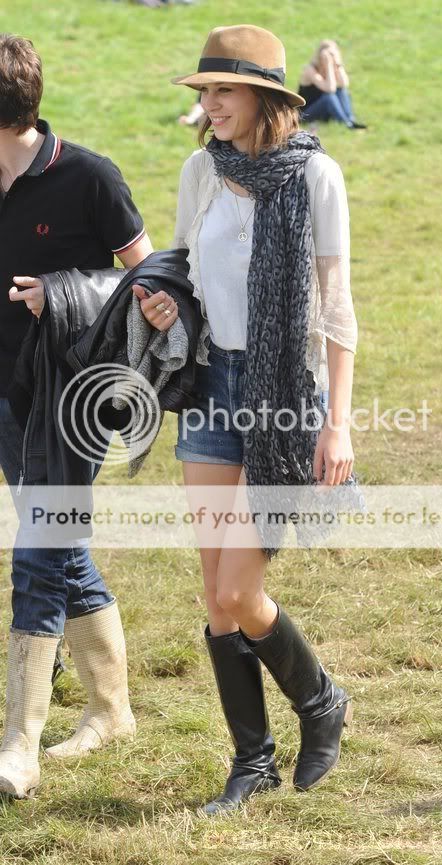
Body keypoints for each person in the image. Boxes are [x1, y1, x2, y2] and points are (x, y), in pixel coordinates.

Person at [138, 24, 358, 815]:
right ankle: (253, 760)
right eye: (204, 93)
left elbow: (336, 309)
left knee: (239, 589)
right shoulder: (201, 169)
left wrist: (337, 421)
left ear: (265, 96)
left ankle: (322, 697)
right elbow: (185, 270)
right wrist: (167, 306)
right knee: (213, 591)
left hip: (283, 394)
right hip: (210, 384)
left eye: (224, 91)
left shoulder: (315, 177)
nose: (211, 105)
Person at [0, 34, 155, 799]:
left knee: (37, 550)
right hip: (6, 396)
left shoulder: (90, 176)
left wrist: (61, 288)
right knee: (61, 545)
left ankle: (19, 741)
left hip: (72, 399)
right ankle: (111, 708)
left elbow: (152, 281)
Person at [299, 40, 367, 129]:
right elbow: (330, 89)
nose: (330, 57)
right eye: (328, 55)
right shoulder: (311, 70)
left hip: (323, 111)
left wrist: (338, 64)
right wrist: (328, 65)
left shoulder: (334, 67)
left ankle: (351, 120)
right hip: (306, 113)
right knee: (329, 97)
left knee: (341, 91)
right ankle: (346, 124)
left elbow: (344, 84)